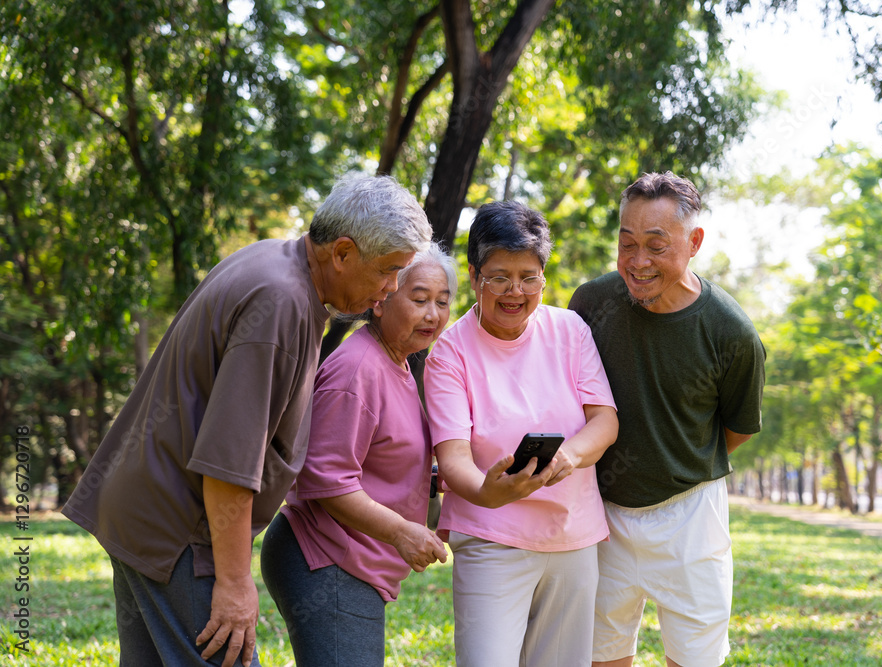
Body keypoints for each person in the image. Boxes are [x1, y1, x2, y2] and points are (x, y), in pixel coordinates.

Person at [61, 173, 433, 667]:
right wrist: (235, 583)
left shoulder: (275, 261)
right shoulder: (281, 303)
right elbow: (228, 461)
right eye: (388, 271)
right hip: (177, 532)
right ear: (342, 253)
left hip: (140, 512)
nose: (389, 291)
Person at [568, 172, 766, 667]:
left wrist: (674, 458)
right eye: (627, 243)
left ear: (693, 241)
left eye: (656, 245)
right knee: (600, 654)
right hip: (603, 511)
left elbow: (735, 430)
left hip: (691, 516)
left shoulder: (731, 332)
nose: (638, 261)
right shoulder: (591, 304)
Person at [423, 200, 619, 667]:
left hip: (572, 538)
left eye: (528, 276)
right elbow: (452, 460)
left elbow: (605, 421)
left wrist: (568, 457)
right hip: (490, 538)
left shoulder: (570, 331)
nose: (515, 291)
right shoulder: (449, 353)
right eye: (500, 276)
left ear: (543, 279)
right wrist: (489, 493)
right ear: (474, 276)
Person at [259, 244, 456, 666]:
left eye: (443, 302)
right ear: (381, 301)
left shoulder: (396, 362)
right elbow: (325, 481)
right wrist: (403, 532)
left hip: (350, 563)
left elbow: (373, 455)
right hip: (325, 559)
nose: (433, 314)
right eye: (419, 299)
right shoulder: (358, 370)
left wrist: (435, 475)